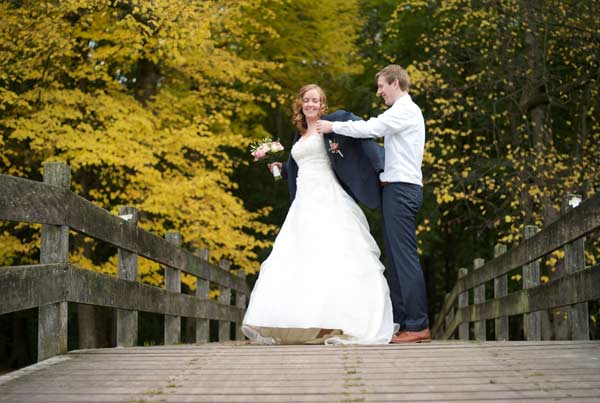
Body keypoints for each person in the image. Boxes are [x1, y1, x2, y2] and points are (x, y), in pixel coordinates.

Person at [241, 84, 395, 345]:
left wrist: (380, 167)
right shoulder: (298, 135)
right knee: (301, 257)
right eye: (306, 100)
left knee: (332, 254)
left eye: (315, 100)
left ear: (322, 104)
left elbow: (358, 136)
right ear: (300, 103)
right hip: (303, 202)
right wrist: (282, 167)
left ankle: (338, 321)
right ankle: (308, 320)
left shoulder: (331, 125)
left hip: (328, 197)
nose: (310, 104)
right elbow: (300, 166)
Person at [316, 65, 430, 343]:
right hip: (396, 188)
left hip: (402, 191)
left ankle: (417, 325)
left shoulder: (405, 110)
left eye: (381, 86)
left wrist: (333, 126)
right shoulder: (403, 112)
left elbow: (371, 128)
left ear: (395, 83)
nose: (379, 92)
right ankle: (404, 322)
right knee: (395, 257)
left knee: (404, 258)